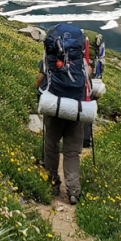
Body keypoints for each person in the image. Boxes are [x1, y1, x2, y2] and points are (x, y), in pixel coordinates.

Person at [37, 23, 92, 205]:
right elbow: (88, 78)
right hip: (76, 110)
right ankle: (73, 190)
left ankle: (52, 183)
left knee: (51, 145)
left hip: (54, 107)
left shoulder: (49, 58)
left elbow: (41, 79)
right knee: (72, 152)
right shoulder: (82, 62)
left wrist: (38, 90)